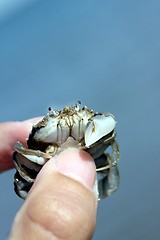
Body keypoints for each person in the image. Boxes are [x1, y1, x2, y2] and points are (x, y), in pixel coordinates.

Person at [0, 120, 98, 240]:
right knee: (19, 156)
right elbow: (19, 153)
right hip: (45, 156)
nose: (69, 124)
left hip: (82, 148)